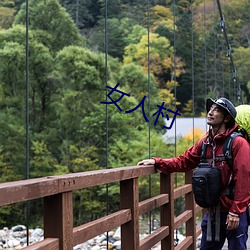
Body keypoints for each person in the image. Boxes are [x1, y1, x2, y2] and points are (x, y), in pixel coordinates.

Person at [138, 97, 250, 250]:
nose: (210, 112)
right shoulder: (205, 143)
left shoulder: (238, 143)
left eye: (216, 110)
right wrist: (158, 162)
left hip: (233, 211)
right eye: (210, 109)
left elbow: (244, 178)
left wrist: (236, 212)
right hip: (213, 210)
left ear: (227, 118)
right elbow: (184, 161)